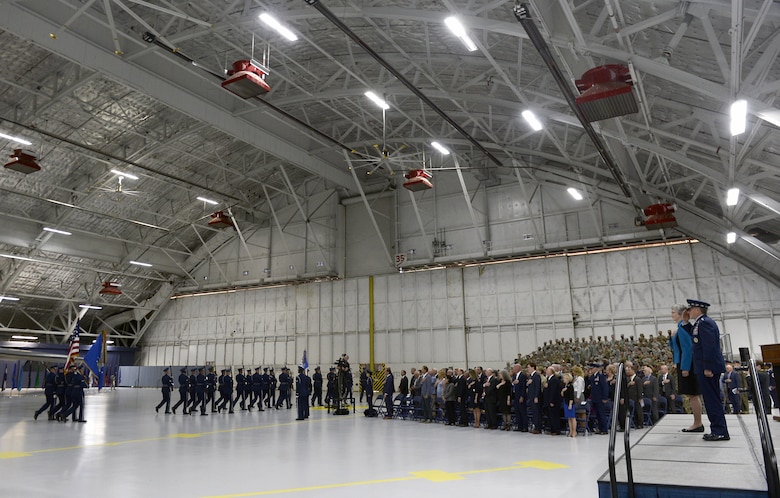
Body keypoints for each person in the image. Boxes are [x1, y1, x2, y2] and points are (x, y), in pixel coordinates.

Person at [688, 299, 729, 441]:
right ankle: (717, 429)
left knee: (712, 400)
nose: (689, 311)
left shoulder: (704, 323)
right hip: (704, 367)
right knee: (710, 399)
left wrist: (708, 367)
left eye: (691, 308)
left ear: (697, 310)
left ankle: (720, 431)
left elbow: (709, 346)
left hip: (708, 368)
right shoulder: (700, 323)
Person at [670, 303, 704, 432]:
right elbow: (675, 347)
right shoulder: (680, 328)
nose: (671, 314)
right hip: (683, 362)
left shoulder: (684, 327)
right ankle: (697, 422)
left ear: (680, 313)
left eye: (673, 312)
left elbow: (688, 349)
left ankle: (697, 423)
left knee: (693, 394)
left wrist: (685, 367)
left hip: (687, 364)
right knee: (691, 395)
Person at [526, 362, 542, 434]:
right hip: (531, 396)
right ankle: (535, 426)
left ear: (533, 367)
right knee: (534, 412)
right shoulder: (531, 376)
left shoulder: (536, 376)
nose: (528, 369)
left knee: (536, 413)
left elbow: (537, 387)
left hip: (535, 397)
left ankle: (538, 428)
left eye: (529, 367)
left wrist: (536, 396)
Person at [561, 373, 576, 437]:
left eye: (564, 378)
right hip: (565, 402)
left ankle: (574, 431)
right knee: (569, 418)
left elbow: (571, 396)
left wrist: (570, 404)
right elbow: (562, 395)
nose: (563, 379)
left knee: (572, 417)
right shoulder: (565, 386)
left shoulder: (570, 386)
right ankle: (571, 431)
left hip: (570, 403)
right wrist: (562, 391)